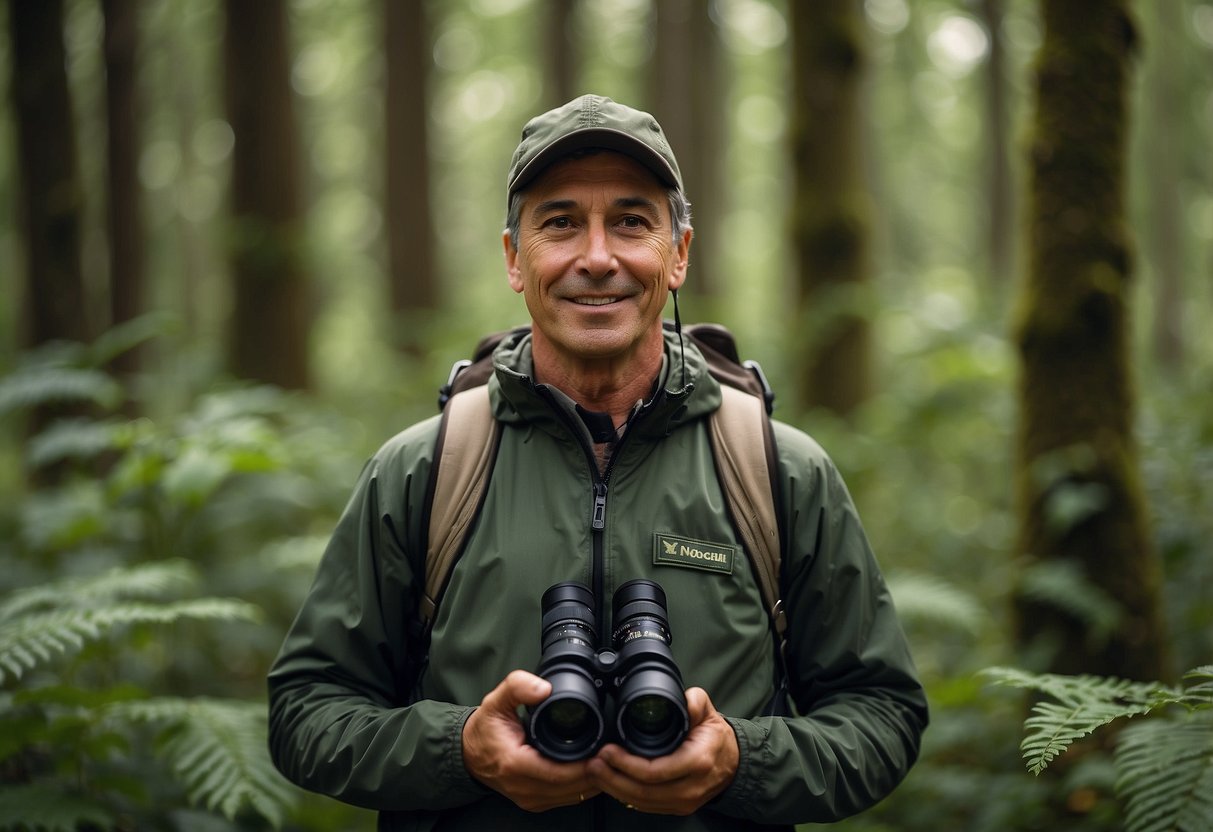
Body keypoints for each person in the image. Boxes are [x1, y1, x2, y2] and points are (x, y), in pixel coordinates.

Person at [268, 94, 927, 831]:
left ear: (677, 254)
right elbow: (305, 711)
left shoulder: (777, 470)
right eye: (558, 223)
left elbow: (882, 714)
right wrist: (462, 750)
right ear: (516, 260)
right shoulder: (425, 470)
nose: (596, 257)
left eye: (630, 221)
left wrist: (739, 760)